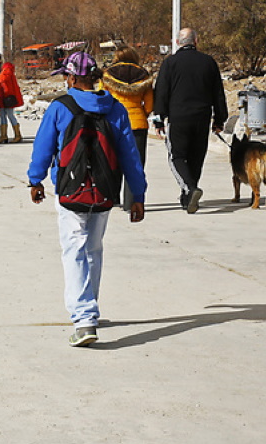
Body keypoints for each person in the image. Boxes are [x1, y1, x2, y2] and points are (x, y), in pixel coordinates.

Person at [26, 51, 146, 347]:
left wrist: (35, 180)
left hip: (70, 191)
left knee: (73, 249)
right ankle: (89, 306)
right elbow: (131, 156)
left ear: (70, 77)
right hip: (104, 192)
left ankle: (84, 318)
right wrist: (137, 195)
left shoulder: (59, 107)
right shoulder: (115, 108)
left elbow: (43, 148)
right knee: (93, 248)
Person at [152, 28, 228, 214]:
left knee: (176, 156)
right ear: (196, 41)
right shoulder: (208, 62)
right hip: (201, 117)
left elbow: (161, 92)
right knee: (196, 157)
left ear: (178, 42)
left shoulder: (170, 63)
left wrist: (159, 118)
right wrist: (219, 119)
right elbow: (218, 93)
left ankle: (190, 189)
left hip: (178, 118)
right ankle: (187, 197)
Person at [102, 47, 154, 212]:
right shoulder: (144, 76)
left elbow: (101, 98)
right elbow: (150, 104)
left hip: (113, 124)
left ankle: (112, 197)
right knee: (135, 163)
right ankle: (130, 202)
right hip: (137, 124)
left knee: (112, 161)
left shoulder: (107, 76)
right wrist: (141, 113)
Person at [0, 52, 23, 144]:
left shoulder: (7, 69)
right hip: (2, 96)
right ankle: (3, 136)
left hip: (8, 96)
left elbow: (1, 79)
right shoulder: (0, 70)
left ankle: (18, 135)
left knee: (10, 115)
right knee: (3, 116)